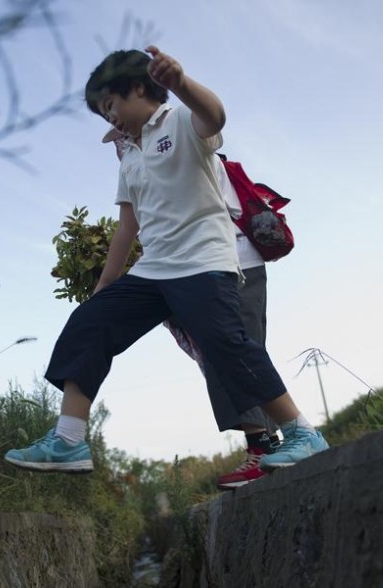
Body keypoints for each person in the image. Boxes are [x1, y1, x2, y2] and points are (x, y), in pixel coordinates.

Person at [4, 46, 328, 474]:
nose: (110, 118)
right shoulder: (129, 158)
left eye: (111, 105)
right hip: (154, 270)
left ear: (138, 88)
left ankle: (303, 432)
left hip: (203, 262)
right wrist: (103, 291)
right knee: (89, 323)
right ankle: (68, 440)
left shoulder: (179, 121)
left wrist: (181, 83)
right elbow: (127, 228)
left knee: (225, 346)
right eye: (103, 114)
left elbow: (215, 116)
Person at [105, 126, 281, 490]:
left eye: (125, 139)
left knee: (230, 351)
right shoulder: (154, 162)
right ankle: (271, 446)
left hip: (227, 260)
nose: (123, 149)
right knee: (233, 351)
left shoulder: (178, 148)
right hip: (211, 263)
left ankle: (265, 448)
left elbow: (157, 219)